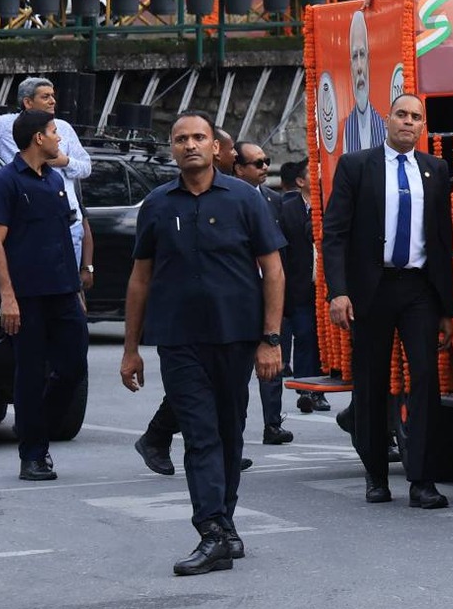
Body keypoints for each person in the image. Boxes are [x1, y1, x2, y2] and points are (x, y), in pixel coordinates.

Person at [117, 111, 286, 576]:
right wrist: (131, 347)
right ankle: (211, 530)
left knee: (231, 433)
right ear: (171, 148)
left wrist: (270, 339)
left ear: (216, 147)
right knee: (200, 434)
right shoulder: (156, 204)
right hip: (178, 340)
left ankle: (225, 524)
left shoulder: (245, 199)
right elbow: (140, 278)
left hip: (236, 337)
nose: (190, 145)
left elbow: (272, 269)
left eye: (198, 137)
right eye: (180, 139)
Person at [322, 92, 453, 508]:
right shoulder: (356, 166)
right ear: (388, 119)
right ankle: (375, 475)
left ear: (423, 126)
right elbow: (335, 234)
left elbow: (442, 240)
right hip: (371, 289)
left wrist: (447, 309)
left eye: (415, 117)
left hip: (419, 289)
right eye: (401, 114)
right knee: (371, 384)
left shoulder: (435, 170)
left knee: (424, 381)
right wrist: (338, 291)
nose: (407, 122)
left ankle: (422, 481)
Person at [0, 109, 89, 483]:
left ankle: (32, 424)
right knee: (29, 373)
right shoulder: (4, 182)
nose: (59, 138)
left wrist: (76, 288)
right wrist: (6, 296)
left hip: (63, 292)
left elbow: (63, 238)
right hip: (25, 297)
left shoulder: (55, 179)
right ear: (38, 138)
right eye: (54, 132)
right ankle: (33, 453)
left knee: (73, 365)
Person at [0, 75, 93, 270]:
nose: (53, 101)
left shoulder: (64, 129)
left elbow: (86, 167)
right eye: (45, 97)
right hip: (27, 223)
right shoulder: (5, 127)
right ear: (27, 102)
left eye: (53, 95)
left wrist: (65, 162)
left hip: (67, 224)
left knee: (68, 288)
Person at [232, 141, 295, 446]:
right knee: (238, 372)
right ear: (238, 168)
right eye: (257, 163)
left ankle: (273, 423)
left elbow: (286, 252)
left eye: (266, 161)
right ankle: (234, 438)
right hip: (241, 296)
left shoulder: (275, 200)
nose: (264, 168)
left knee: (274, 360)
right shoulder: (228, 200)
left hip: (271, 292)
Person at [276, 159, 326, 415]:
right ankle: (308, 389)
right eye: (313, 174)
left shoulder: (330, 205)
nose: (319, 177)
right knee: (305, 336)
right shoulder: (287, 209)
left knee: (323, 340)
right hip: (300, 286)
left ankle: (320, 390)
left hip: (327, 288)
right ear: (300, 181)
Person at [340, 11, 387, 154]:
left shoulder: (385, 125)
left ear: (369, 61)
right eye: (355, 57)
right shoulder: (348, 127)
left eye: (363, 55)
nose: (359, 67)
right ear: (350, 65)